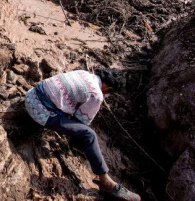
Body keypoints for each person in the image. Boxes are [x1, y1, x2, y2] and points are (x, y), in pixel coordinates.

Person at [25, 70, 141, 201]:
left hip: (32, 95)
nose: (106, 94)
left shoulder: (84, 73)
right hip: (40, 111)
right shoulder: (96, 94)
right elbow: (82, 121)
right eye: (108, 92)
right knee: (89, 134)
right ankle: (105, 181)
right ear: (108, 88)